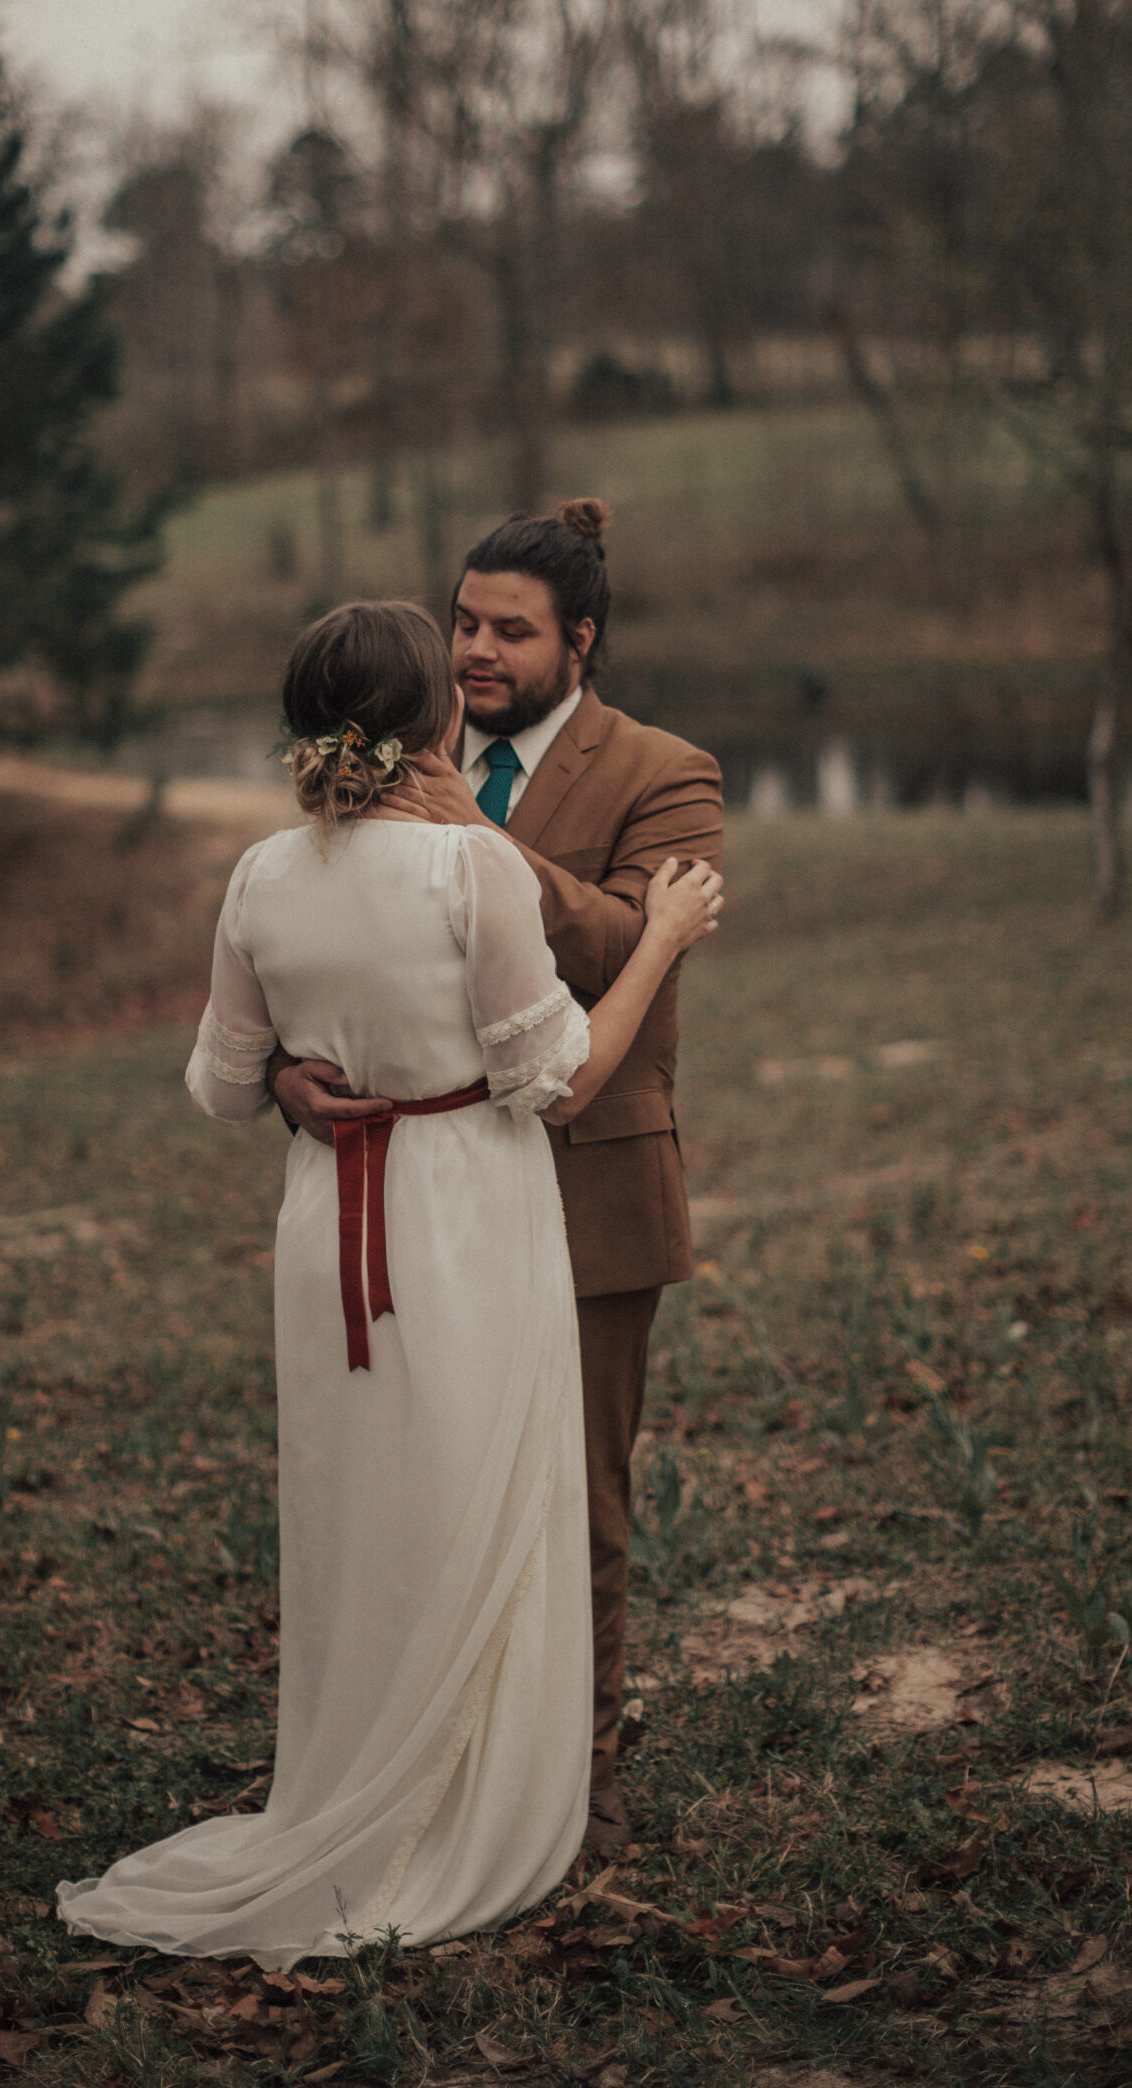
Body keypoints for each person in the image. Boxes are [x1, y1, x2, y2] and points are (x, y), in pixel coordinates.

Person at [57, 599, 721, 1968]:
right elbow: (558, 1081)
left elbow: (222, 1088)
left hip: (331, 1227)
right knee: (479, 1487)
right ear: (434, 721)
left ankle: (355, 1780)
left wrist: (304, 1077)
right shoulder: (465, 871)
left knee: (364, 1502)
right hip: (468, 1212)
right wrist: (660, 939)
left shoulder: (259, 875)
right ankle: (467, 1803)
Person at [272, 503, 723, 1860]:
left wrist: (477, 833)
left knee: (576, 1502)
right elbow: (322, 934)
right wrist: (290, 1079)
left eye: (508, 631)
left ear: (578, 641)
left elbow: (624, 950)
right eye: (463, 622)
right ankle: (430, 1767)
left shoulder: (666, 770)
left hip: (589, 1181)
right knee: (431, 1483)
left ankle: (574, 1780)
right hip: (423, 1201)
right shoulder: (396, 742)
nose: (474, 649)